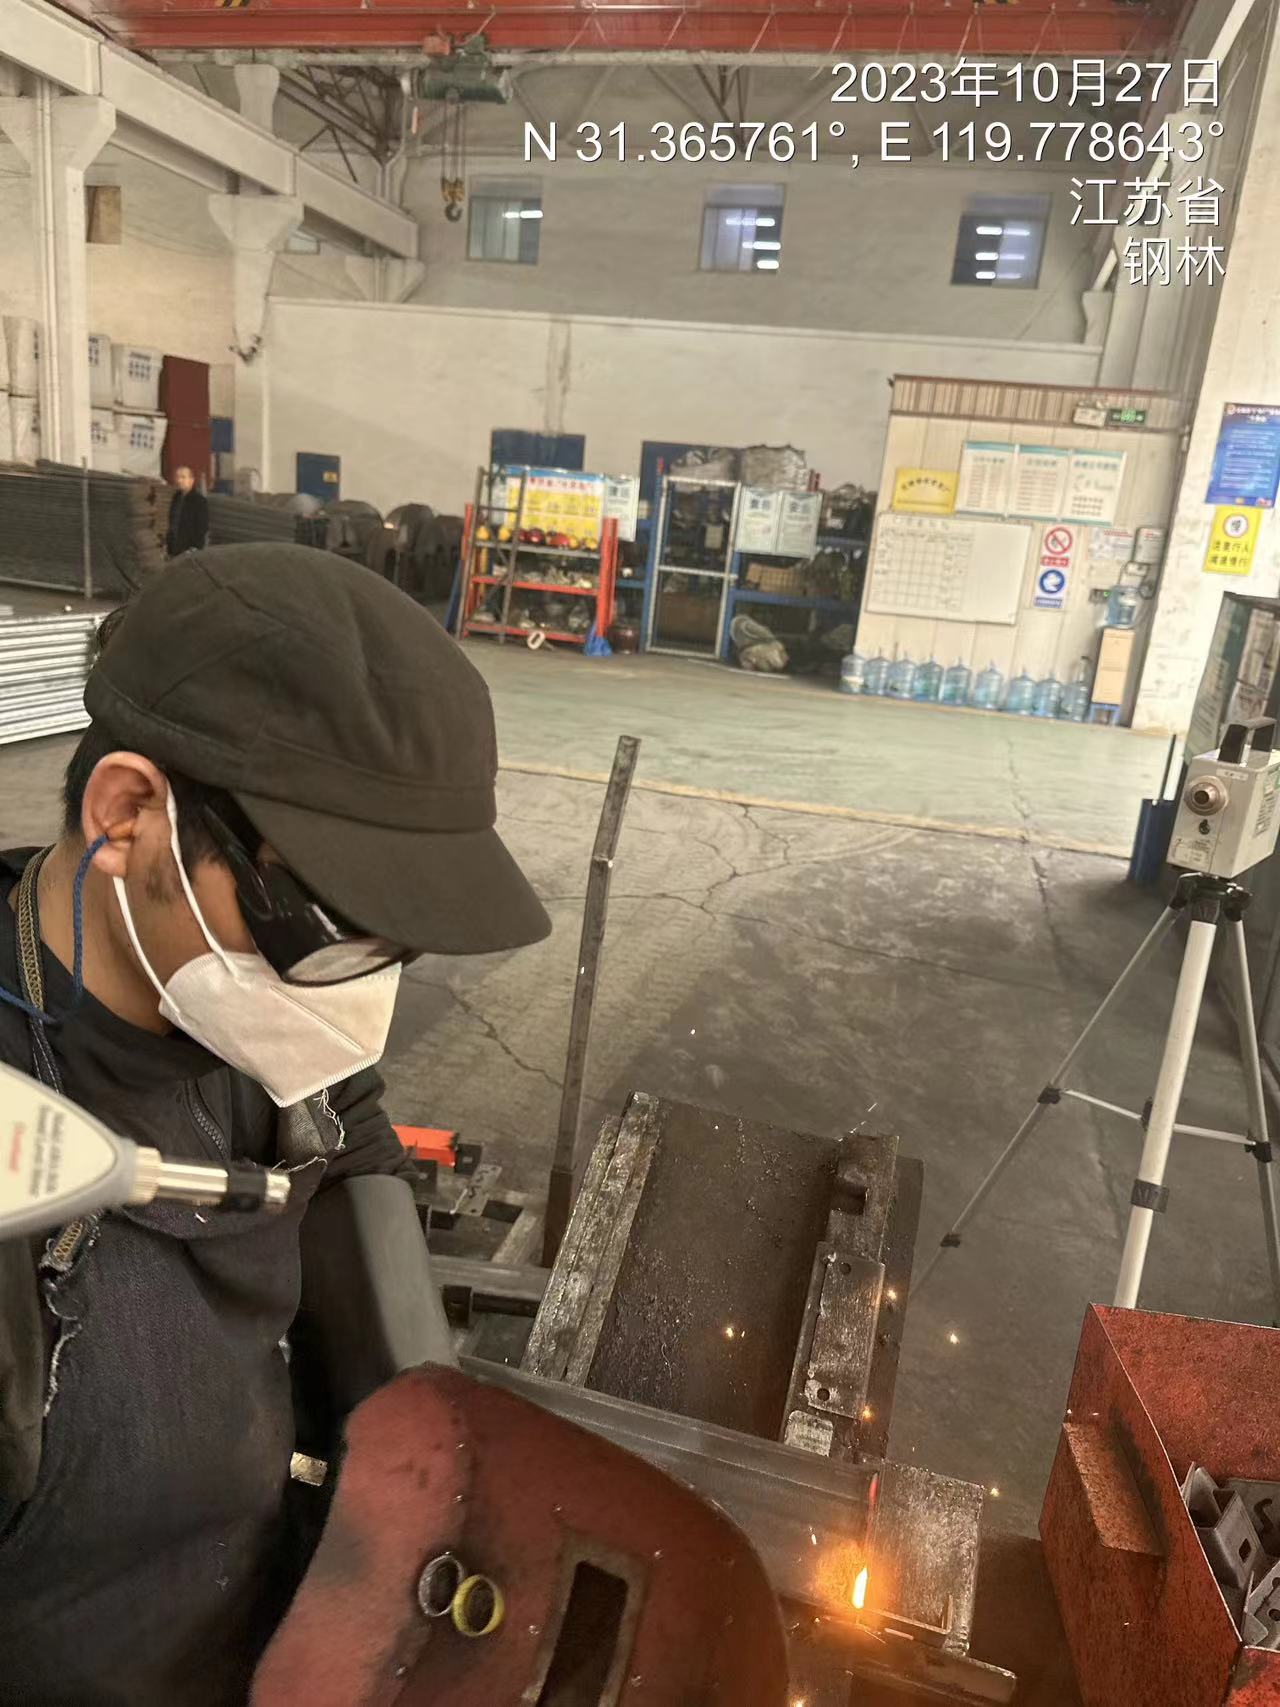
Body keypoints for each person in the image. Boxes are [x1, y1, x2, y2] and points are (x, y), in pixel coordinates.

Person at [0, 543, 551, 1704]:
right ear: (128, 815)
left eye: (396, 941)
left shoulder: (244, 1008)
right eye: (325, 926)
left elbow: (349, 1133)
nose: (356, 996)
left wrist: (426, 1437)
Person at [166, 463, 210, 557]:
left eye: (183, 477)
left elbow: (202, 527)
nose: (179, 480)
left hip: (190, 550)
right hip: (175, 548)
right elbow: (172, 522)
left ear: (191, 480)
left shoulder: (199, 501)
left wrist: (194, 548)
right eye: (177, 477)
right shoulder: (176, 498)